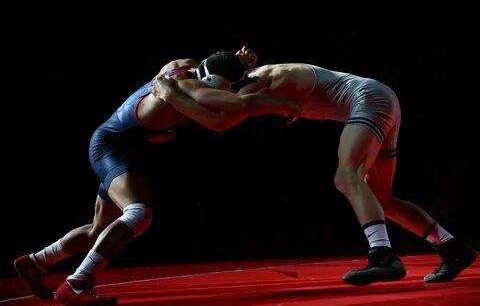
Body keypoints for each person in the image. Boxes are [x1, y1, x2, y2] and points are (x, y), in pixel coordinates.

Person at [13, 47, 301, 306]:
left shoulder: (184, 64)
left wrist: (241, 66)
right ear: (216, 83)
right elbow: (223, 118)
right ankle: (77, 283)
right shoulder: (187, 91)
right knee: (138, 213)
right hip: (113, 147)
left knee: (98, 229)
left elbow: (219, 82)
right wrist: (283, 105)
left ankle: (37, 262)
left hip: (123, 147)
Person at [156, 58, 477, 286]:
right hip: (380, 98)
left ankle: (383, 256)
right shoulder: (260, 77)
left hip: (370, 101)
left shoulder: (262, 81)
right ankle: (452, 248)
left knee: (346, 176)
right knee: (381, 199)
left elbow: (221, 118)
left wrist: (171, 93)